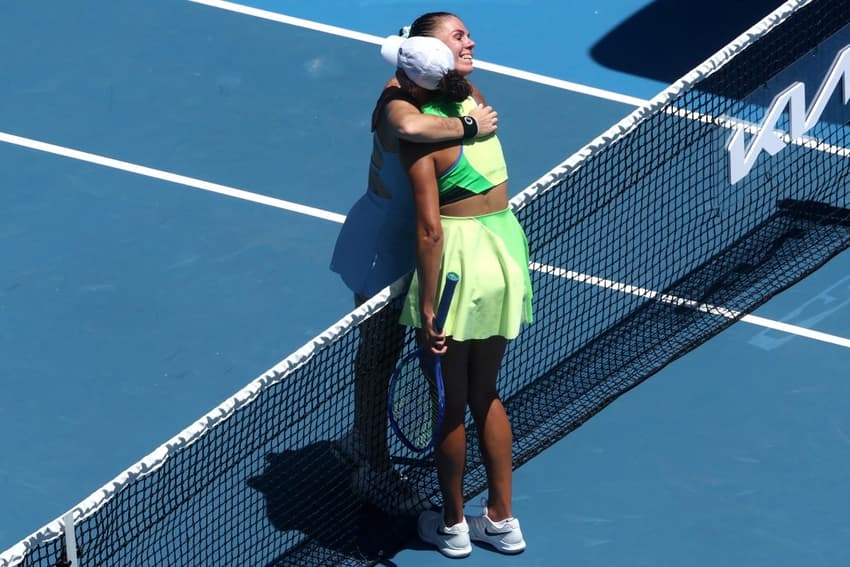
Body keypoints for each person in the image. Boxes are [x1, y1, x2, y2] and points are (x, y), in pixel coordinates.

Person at [329, 12, 499, 514]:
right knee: (380, 355)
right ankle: (373, 466)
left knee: (435, 362)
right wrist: (468, 124)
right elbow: (408, 125)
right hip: (384, 250)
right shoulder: (395, 100)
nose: (470, 41)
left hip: (432, 249)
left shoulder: (450, 91)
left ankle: (372, 440)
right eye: (458, 36)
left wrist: (464, 102)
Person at [383, 35, 532, 557]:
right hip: (506, 252)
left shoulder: (422, 138)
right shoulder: (475, 101)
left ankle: (453, 527)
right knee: (485, 392)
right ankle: (501, 519)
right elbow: (434, 84)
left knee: (449, 404)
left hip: (457, 270)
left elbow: (429, 231)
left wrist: (427, 309)